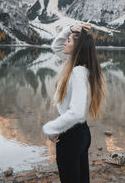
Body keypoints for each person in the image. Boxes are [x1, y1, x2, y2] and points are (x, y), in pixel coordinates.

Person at [42, 22, 107, 183]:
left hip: (71, 135)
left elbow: (76, 112)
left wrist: (51, 128)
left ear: (77, 48)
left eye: (69, 41)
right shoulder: (81, 66)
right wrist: (69, 30)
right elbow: (56, 46)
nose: (65, 42)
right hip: (81, 133)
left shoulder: (78, 72)